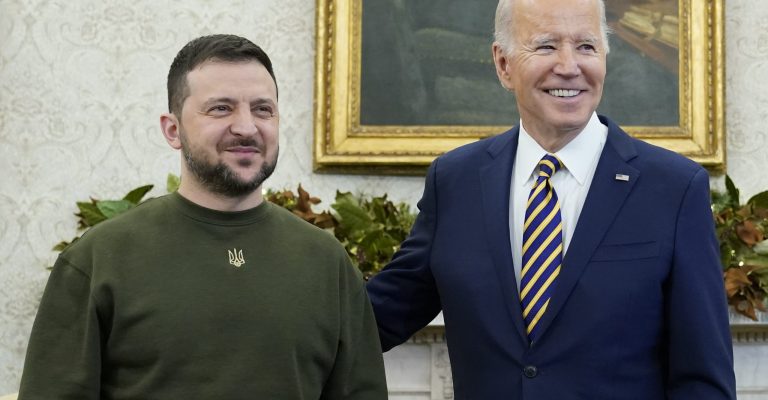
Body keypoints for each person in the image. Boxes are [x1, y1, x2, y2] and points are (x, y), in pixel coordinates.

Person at [366, 0, 737, 398]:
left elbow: (704, 380)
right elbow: (377, 318)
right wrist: (294, 261)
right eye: (546, 46)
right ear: (503, 64)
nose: (569, 66)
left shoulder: (674, 188)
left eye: (587, 47)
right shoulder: (455, 181)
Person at [18, 34, 387, 399]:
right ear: (172, 129)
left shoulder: (328, 263)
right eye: (221, 108)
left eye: (263, 109)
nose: (246, 127)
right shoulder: (97, 258)